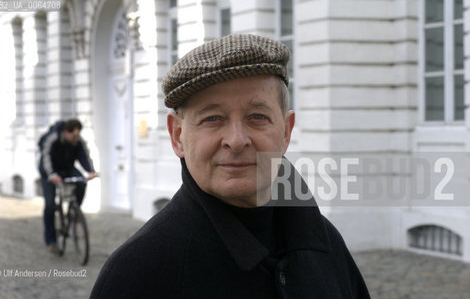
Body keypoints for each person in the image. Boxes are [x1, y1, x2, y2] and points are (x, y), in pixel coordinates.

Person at [91, 34, 370, 298]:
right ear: (178, 136)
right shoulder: (138, 273)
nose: (236, 141)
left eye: (257, 116)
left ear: (286, 131)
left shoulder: (327, 245)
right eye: (213, 119)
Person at [38, 118, 97, 254]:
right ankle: (51, 241)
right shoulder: (52, 138)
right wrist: (52, 175)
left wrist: (91, 171)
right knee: (50, 205)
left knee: (81, 182)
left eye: (78, 135)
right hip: (49, 171)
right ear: (66, 132)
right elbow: (45, 157)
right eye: (74, 135)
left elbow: (84, 156)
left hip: (67, 168)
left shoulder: (78, 141)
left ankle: (74, 211)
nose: (76, 138)